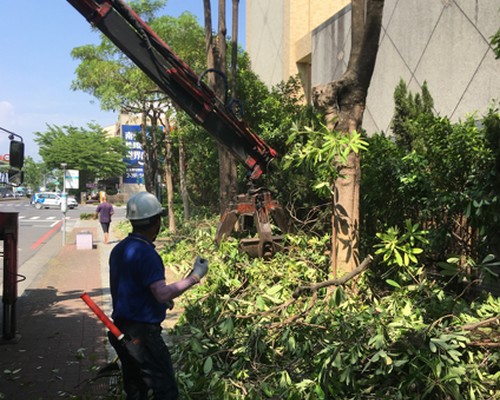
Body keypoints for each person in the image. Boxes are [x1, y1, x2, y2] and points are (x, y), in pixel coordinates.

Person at [108, 191, 209, 399]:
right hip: (143, 337)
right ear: (156, 223)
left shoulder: (119, 249)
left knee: (136, 389)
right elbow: (161, 293)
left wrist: (157, 302)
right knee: (166, 389)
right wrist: (195, 276)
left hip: (121, 330)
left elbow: (130, 288)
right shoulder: (147, 254)